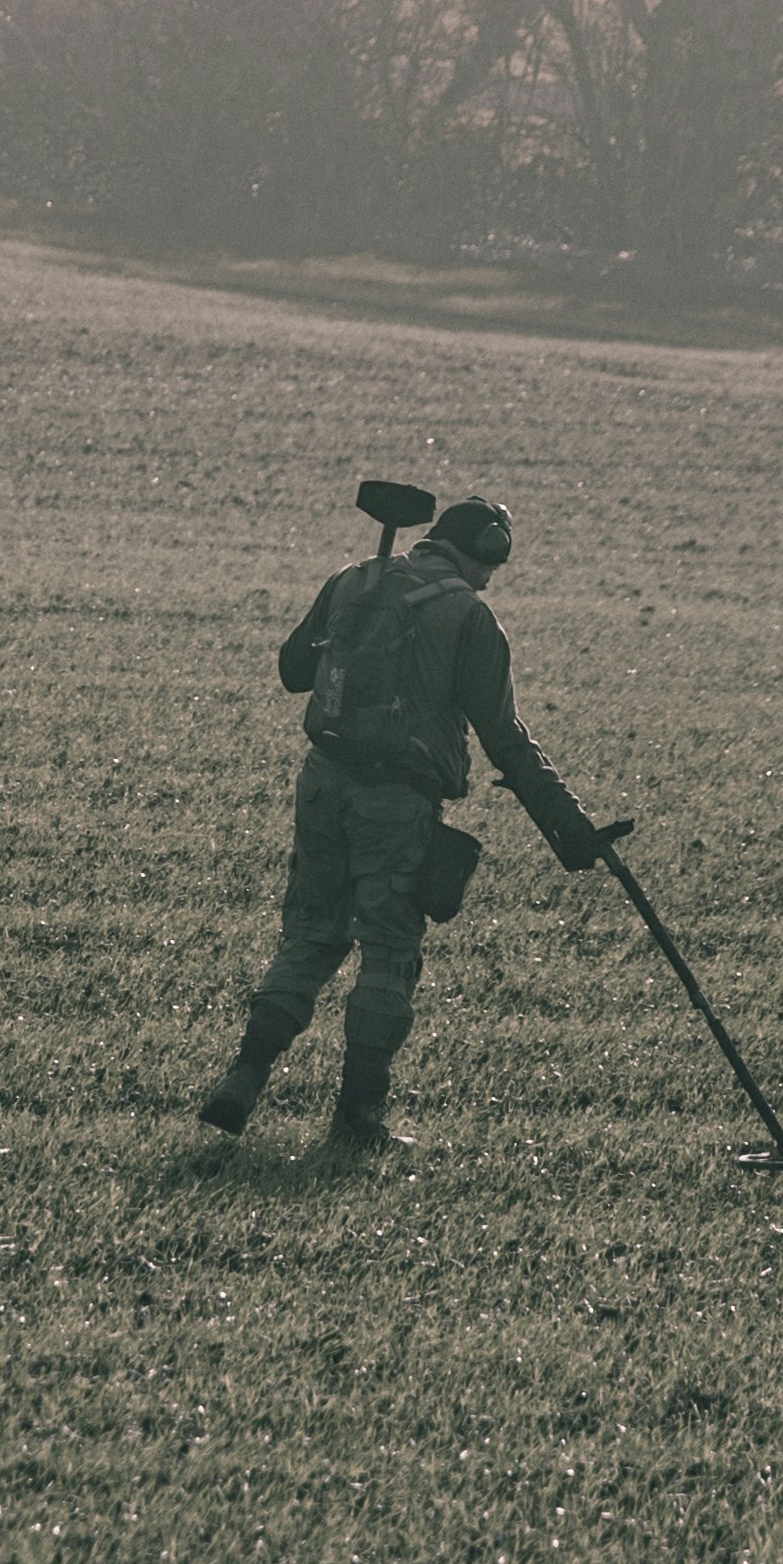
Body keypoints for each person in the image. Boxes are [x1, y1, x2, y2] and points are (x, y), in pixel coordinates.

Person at [196, 493, 614, 1153]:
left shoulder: (355, 578)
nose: (488, 581)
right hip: (396, 803)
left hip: (322, 783)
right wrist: (569, 826)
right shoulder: (470, 616)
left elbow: (292, 671)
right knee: (389, 952)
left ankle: (244, 1077)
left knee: (309, 936)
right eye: (491, 568)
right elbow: (503, 737)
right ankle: (356, 1123)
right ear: (481, 557)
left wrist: (362, 631)